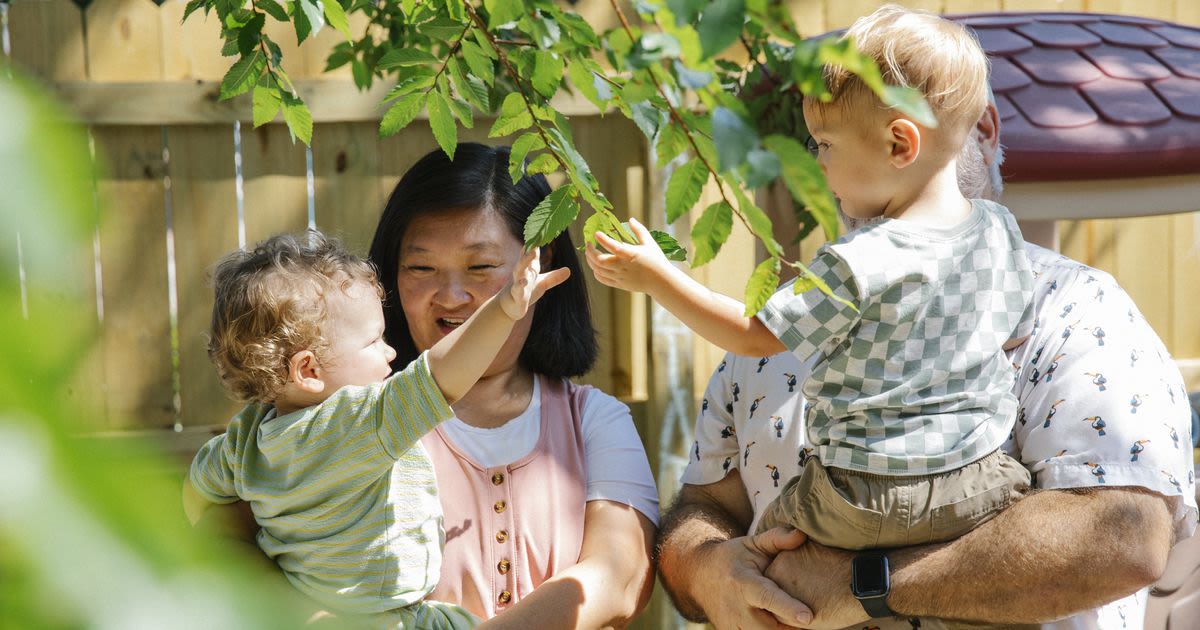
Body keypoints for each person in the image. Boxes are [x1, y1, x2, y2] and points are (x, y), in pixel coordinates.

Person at [654, 85, 1197, 630]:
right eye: (828, 140)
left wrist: (861, 587)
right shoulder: (784, 328)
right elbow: (705, 506)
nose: (883, 155)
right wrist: (708, 568)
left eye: (898, 133)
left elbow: (1125, 537)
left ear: (980, 130)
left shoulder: (1075, 310)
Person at [589, 5, 1034, 558]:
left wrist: (658, 278)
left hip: (859, 496)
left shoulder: (858, 260)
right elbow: (1015, 330)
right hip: (977, 484)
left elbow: (754, 336)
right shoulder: (999, 230)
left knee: (769, 541)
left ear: (899, 144)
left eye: (824, 143)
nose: (816, 162)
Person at [183, 230, 567, 628]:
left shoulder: (247, 438)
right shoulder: (356, 424)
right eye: (373, 341)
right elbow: (441, 375)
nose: (391, 352)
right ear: (310, 370)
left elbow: (197, 492)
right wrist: (504, 309)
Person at [365, 142, 659, 627]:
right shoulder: (358, 420)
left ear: (540, 269)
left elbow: (619, 577)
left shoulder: (594, 421)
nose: (452, 296)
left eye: (480, 267)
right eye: (421, 268)